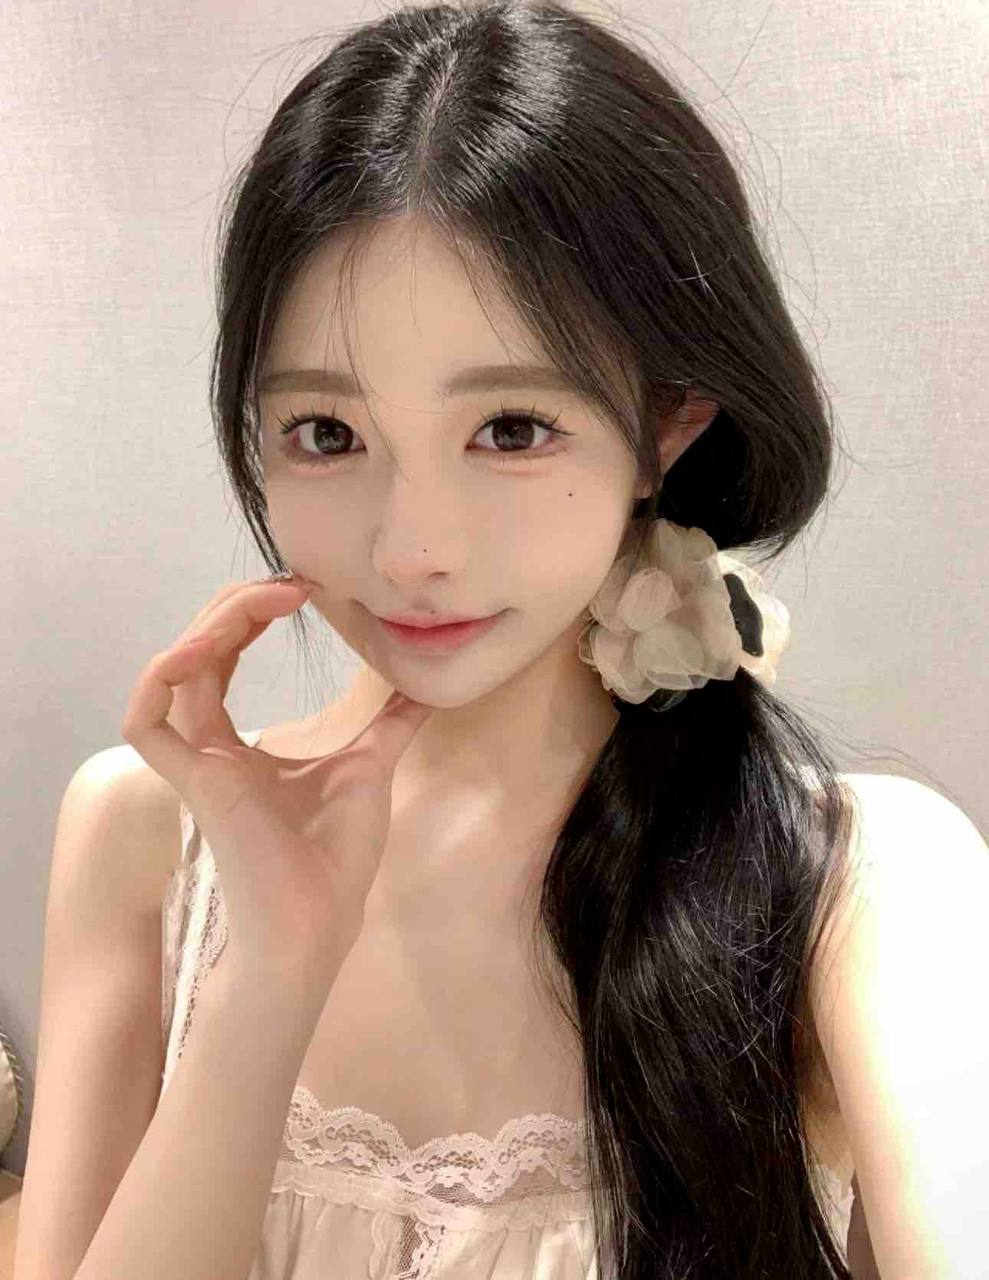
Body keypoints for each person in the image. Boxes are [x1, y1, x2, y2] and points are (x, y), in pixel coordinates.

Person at [16, 2, 989, 1278]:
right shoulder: (146, 831)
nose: (411, 548)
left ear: (664, 426)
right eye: (326, 433)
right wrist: (269, 979)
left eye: (512, 428)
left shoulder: (855, 880)